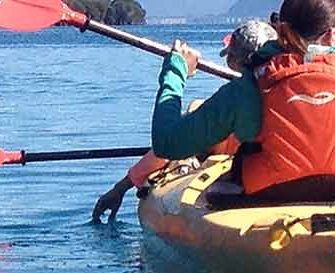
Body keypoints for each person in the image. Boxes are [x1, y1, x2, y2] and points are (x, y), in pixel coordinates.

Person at [155, 0, 335, 205]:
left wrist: (175, 72)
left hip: (268, 197)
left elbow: (168, 143)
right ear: (332, 33)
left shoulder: (252, 82)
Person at [92, 19, 276, 223]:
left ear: (233, 62)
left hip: (244, 184)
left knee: (195, 109)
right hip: (288, 184)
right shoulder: (294, 88)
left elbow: (168, 146)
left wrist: (177, 69)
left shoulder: (232, 101)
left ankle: (188, 164)